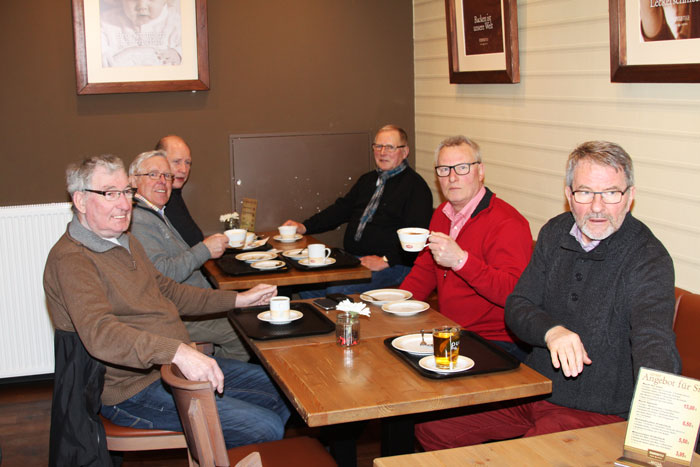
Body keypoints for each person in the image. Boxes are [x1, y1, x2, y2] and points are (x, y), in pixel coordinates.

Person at [414, 141, 681, 451]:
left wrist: (658, 418)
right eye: (584, 192)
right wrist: (552, 331)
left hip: (598, 409)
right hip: (534, 389)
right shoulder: (555, 232)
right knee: (434, 427)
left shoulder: (647, 258)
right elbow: (518, 305)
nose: (597, 207)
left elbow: (654, 340)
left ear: (630, 196)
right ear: (569, 195)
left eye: (611, 193)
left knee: (530, 454)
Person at [43, 154, 290, 448]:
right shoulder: (72, 260)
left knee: (283, 392)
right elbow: (101, 334)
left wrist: (238, 300)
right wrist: (177, 352)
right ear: (80, 201)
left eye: (126, 192)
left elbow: (170, 292)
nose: (124, 204)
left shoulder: (125, 240)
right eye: (110, 194)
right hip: (132, 390)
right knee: (265, 426)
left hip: (169, 370)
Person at [400, 136, 532, 360]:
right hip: (452, 332)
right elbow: (424, 271)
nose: (452, 177)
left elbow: (514, 293)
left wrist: (461, 261)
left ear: (480, 172)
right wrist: (396, 307)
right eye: (444, 170)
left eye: (462, 168)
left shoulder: (508, 223)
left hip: (496, 341)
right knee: (389, 357)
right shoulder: (442, 214)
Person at [283, 125, 433, 297]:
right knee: (308, 284)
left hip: (395, 265)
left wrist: (386, 260)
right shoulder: (367, 180)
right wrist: (304, 227)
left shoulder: (416, 188)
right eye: (378, 146)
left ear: (405, 152)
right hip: (355, 259)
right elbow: (341, 210)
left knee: (337, 292)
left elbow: (417, 236)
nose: (382, 152)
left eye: (390, 147)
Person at [129, 150, 248, 361]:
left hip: (192, 302)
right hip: (177, 312)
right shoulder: (139, 220)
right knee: (243, 333)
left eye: (167, 176)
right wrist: (205, 250)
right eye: (153, 175)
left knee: (246, 313)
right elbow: (163, 273)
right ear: (133, 180)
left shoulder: (155, 213)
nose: (162, 181)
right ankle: (214, 376)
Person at [100, 0, 183, 67]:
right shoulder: (107, 21)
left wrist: (178, 53)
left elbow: (188, 47)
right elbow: (98, 39)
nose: (142, 6)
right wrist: (103, 52)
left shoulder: (176, 24)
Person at [156, 135, 204, 247]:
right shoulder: (159, 201)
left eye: (187, 163)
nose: (183, 170)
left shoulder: (174, 194)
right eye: (177, 162)